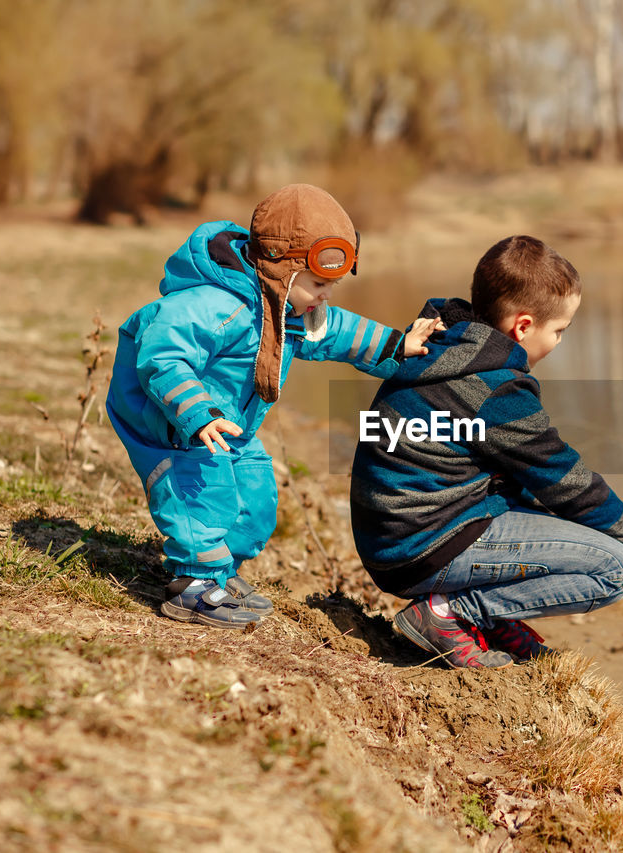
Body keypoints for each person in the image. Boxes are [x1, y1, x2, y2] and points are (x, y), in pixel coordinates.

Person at [107, 184, 441, 629]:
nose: (325, 297)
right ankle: (193, 585)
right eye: (320, 284)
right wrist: (195, 412)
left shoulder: (285, 306)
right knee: (203, 495)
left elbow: (337, 333)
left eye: (331, 286)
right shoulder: (213, 304)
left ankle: (221, 573)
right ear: (282, 269)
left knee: (257, 500)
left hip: (229, 427)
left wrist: (398, 345)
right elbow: (162, 356)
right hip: (174, 421)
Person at [350, 235, 623, 668]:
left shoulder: (443, 346)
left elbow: (521, 476)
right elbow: (566, 480)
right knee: (613, 568)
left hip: (397, 535)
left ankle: (488, 616)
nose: (560, 342)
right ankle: (449, 614)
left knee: (576, 524)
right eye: (559, 330)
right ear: (523, 327)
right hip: (421, 545)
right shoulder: (493, 386)